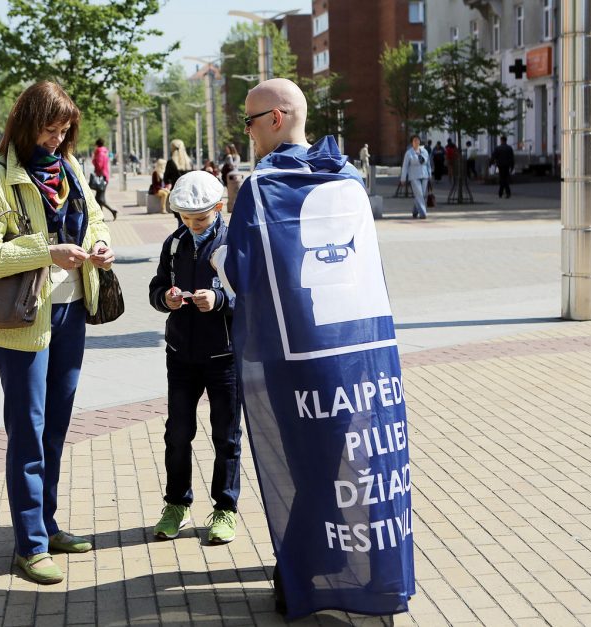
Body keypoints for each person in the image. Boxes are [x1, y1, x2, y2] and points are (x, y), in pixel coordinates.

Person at [210, 78, 414, 619]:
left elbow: (243, 274)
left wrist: (219, 241)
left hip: (292, 353)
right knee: (343, 462)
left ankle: (301, 573)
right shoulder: (346, 175)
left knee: (311, 465)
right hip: (356, 351)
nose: (247, 133)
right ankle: (337, 562)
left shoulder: (262, 186)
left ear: (276, 119)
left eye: (250, 122)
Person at [0, 80, 115, 585]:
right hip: (23, 321)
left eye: (64, 131)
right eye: (49, 130)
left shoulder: (69, 168)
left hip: (71, 310)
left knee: (55, 428)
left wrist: (99, 246)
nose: (56, 140)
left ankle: (47, 526)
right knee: (27, 431)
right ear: (28, 124)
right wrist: (45, 252)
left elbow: (95, 220)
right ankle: (29, 545)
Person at [148, 171, 242, 545]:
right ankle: (176, 504)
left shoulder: (235, 242)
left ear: (218, 209)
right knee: (178, 433)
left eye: (199, 219)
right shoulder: (174, 244)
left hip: (224, 357)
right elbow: (156, 287)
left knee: (227, 437)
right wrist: (165, 299)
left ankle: (225, 508)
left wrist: (219, 300)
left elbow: (252, 293)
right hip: (181, 355)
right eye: (185, 219)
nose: (192, 226)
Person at [401, 134, 432, 219]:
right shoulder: (409, 153)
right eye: (414, 140)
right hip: (414, 176)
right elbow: (405, 166)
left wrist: (430, 174)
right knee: (419, 194)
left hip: (424, 175)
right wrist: (403, 178)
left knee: (421, 195)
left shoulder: (424, 151)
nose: (416, 142)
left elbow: (428, 164)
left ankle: (415, 210)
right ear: (412, 142)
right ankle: (423, 212)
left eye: (417, 140)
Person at [165, 139, 193, 223]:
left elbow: (166, 178)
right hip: (190, 194)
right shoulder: (189, 162)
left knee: (181, 221)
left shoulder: (171, 162)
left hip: (177, 195)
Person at [90, 138, 118, 220]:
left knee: (99, 199)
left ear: (97, 145)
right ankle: (101, 217)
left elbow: (99, 165)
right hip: (104, 177)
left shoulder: (99, 153)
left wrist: (94, 159)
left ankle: (112, 211)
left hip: (101, 177)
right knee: (99, 198)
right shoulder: (104, 152)